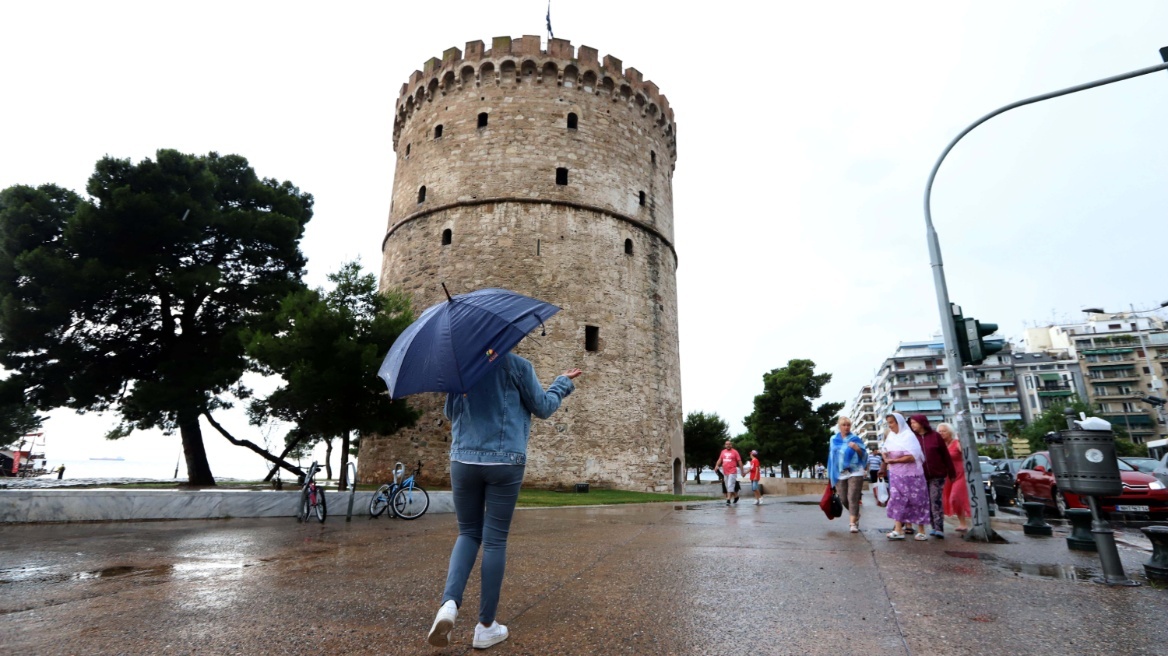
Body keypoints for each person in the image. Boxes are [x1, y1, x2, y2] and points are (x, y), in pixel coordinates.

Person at [427, 353, 581, 649]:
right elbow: (543, 407)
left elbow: (450, 412)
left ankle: (449, 605)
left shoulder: (462, 365)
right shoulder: (518, 365)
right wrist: (561, 383)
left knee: (467, 533)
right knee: (495, 540)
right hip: (505, 460)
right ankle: (486, 627)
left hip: (463, 460)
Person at [882, 412, 930, 541]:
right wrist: (885, 456)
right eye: (888, 423)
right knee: (897, 499)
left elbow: (912, 456)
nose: (890, 425)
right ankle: (898, 529)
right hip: (896, 474)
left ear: (899, 422)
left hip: (912, 475)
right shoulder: (891, 436)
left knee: (917, 501)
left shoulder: (909, 436)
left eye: (892, 422)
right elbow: (885, 449)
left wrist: (894, 460)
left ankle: (921, 531)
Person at [909, 414, 956, 539]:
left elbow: (945, 455)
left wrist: (951, 472)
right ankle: (932, 526)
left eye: (914, 422)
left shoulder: (935, 436)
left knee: (935, 500)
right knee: (926, 501)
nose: (912, 425)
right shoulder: (912, 438)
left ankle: (939, 527)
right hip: (920, 475)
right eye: (911, 423)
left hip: (937, 474)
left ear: (922, 423)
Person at [828, 417, 868, 533]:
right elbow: (832, 456)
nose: (846, 427)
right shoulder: (833, 439)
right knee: (843, 498)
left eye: (848, 425)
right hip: (840, 472)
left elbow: (864, 455)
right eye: (844, 425)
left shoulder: (855, 439)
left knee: (852, 497)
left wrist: (857, 448)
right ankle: (855, 514)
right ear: (839, 426)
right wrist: (831, 472)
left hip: (855, 470)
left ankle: (852, 523)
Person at [938, 423, 971, 532]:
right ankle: (962, 523)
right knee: (952, 500)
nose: (941, 433)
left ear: (950, 432)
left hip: (960, 474)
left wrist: (962, 442)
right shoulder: (941, 446)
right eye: (940, 431)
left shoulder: (956, 443)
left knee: (955, 497)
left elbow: (966, 454)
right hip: (949, 476)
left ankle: (967, 520)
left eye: (944, 431)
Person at [714, 440, 742, 506]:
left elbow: (739, 461)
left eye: (729, 444)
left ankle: (728, 499)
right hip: (725, 471)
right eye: (726, 444)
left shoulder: (735, 452)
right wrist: (716, 465)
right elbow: (720, 459)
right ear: (725, 445)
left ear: (731, 445)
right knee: (728, 486)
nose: (728, 445)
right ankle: (736, 496)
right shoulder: (723, 452)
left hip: (733, 471)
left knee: (730, 485)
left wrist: (742, 471)